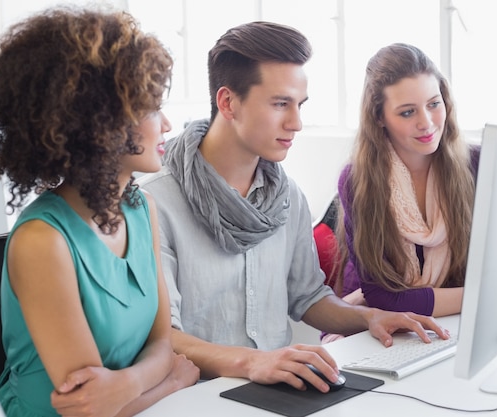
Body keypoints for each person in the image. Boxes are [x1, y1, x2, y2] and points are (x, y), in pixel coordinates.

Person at [137, 21, 448, 394]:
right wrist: (254, 362)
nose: (296, 123)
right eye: (280, 104)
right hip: (199, 398)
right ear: (228, 102)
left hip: (282, 391)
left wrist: (372, 318)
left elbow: (309, 298)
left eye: (299, 105)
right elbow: (163, 337)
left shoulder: (288, 197)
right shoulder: (155, 204)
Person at [0, 6, 200, 417]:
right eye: (149, 109)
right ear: (99, 123)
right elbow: (88, 409)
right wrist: (174, 382)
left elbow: (163, 344)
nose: (165, 124)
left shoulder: (140, 207)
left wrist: (132, 382)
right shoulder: (43, 241)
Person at [327, 43, 479, 343]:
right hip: (373, 326)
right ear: (379, 118)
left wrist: (488, 295)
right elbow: (385, 299)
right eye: (408, 112)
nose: (426, 122)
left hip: (452, 322)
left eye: (434, 104)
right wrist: (485, 295)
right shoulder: (359, 180)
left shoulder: (476, 163)